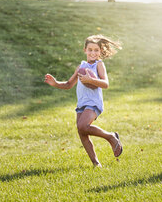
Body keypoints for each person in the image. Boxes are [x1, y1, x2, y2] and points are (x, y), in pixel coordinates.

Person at [44, 35, 123, 167]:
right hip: (82, 103)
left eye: (96, 50)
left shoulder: (99, 65)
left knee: (82, 126)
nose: (93, 53)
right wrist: (56, 83)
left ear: (100, 52)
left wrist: (90, 80)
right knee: (82, 132)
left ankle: (110, 137)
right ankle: (96, 163)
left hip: (93, 102)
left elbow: (105, 84)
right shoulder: (81, 66)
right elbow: (69, 84)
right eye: (90, 50)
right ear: (85, 50)